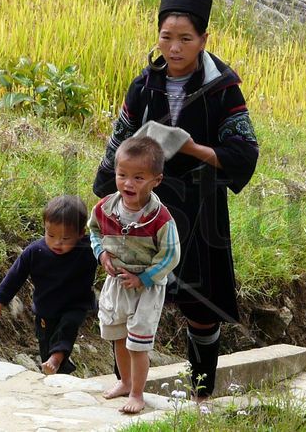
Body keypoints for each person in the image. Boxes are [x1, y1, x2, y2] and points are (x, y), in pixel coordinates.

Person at [93, 0, 259, 402]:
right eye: (166, 37)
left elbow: (244, 152)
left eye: (186, 38)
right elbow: (121, 140)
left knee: (201, 307)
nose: (174, 47)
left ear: (204, 39)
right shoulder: (145, 85)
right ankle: (128, 384)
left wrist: (191, 148)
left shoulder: (222, 88)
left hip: (199, 206)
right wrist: (106, 194)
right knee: (130, 292)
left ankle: (202, 391)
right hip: (141, 206)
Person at [88, 136, 181, 414]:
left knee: (138, 342)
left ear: (156, 180)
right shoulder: (105, 208)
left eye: (139, 177)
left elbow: (170, 255)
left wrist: (144, 279)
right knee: (117, 335)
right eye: (122, 175)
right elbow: (93, 231)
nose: (128, 183)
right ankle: (125, 382)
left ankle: (138, 394)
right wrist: (102, 254)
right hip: (116, 281)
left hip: (146, 287)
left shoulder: (161, 219)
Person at [0, 195, 97, 375]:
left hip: (75, 304)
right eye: (51, 235)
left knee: (67, 327)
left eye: (65, 238)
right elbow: (16, 274)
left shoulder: (88, 249)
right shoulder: (35, 251)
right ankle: (59, 368)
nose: (57, 242)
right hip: (45, 309)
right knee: (46, 346)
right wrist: (1, 298)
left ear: (80, 234)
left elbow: (110, 252)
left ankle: (57, 358)